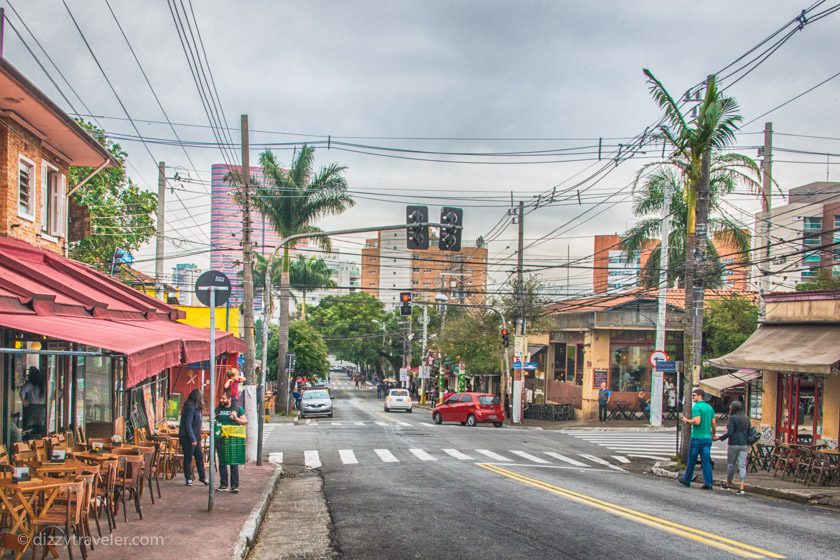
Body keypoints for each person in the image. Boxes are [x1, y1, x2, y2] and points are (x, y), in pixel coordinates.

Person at [679, 388, 717, 490]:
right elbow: (713, 423)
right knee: (706, 461)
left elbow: (697, 421)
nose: (693, 397)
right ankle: (708, 483)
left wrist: (687, 420)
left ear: (700, 396)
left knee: (692, 459)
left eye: (694, 395)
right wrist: (713, 434)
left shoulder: (696, 407)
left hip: (697, 437)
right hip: (707, 438)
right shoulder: (709, 408)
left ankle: (687, 479)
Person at [715, 400, 750, 495]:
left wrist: (719, 438)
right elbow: (748, 432)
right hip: (744, 444)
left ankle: (729, 483)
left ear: (733, 408)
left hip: (733, 444)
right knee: (742, 466)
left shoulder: (732, 418)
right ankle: (742, 487)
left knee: (731, 465)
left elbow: (730, 433)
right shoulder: (746, 418)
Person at [215, 390, 247, 493]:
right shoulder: (219, 409)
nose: (221, 400)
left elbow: (245, 421)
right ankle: (224, 484)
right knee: (222, 462)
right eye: (221, 398)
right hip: (221, 439)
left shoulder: (237, 409)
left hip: (233, 438)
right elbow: (214, 419)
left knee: (234, 462)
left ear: (229, 399)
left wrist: (236, 417)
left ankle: (234, 485)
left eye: (224, 398)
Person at [179, 389, 207, 487]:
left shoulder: (197, 408)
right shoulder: (191, 408)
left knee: (199, 456)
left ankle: (203, 477)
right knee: (188, 457)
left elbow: (194, 422)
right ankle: (188, 478)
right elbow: (188, 424)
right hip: (188, 438)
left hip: (196, 436)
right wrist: (192, 439)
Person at [20, 366, 46, 437]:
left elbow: (22, 391)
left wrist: (24, 401)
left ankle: (30, 441)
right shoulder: (42, 385)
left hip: (32, 408)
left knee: (29, 428)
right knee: (40, 427)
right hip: (42, 409)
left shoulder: (30, 385)